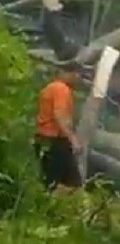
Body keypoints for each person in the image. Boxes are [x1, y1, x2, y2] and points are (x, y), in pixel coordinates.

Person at [34, 63, 81, 191]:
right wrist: (73, 140)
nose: (77, 77)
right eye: (74, 73)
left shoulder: (48, 88)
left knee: (52, 180)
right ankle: (51, 207)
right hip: (55, 140)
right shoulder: (61, 89)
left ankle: (52, 206)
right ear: (65, 73)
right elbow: (60, 115)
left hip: (42, 138)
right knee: (70, 183)